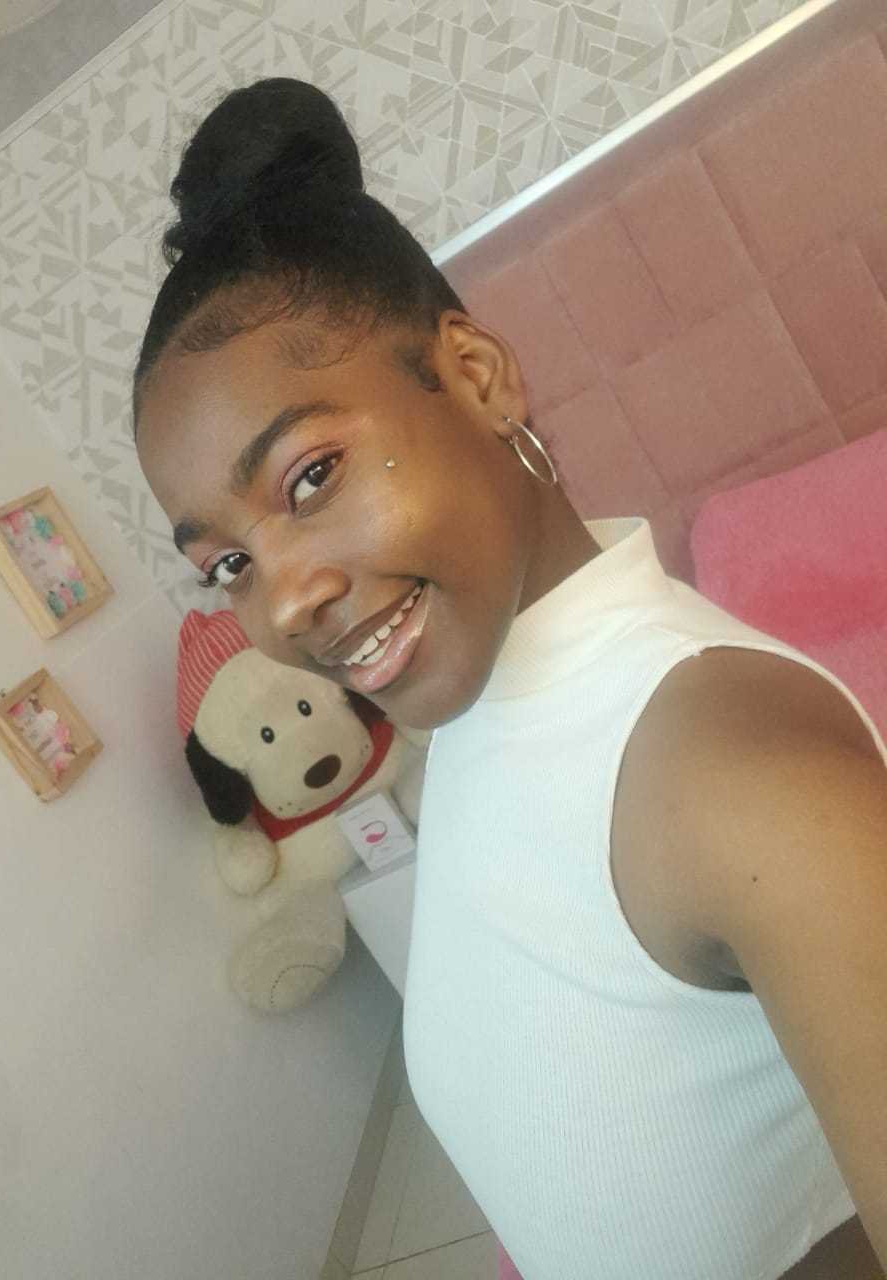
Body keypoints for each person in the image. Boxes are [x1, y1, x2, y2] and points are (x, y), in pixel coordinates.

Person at [133, 79, 887, 1280]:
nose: (279, 604)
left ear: (478, 375)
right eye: (227, 563)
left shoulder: (742, 782)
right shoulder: (477, 707)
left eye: (311, 476)